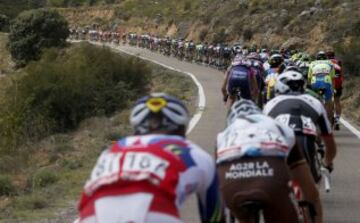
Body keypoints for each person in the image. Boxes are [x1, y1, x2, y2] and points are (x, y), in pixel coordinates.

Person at [77, 93, 225, 223]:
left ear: (136, 130)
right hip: (155, 213)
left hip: (91, 215)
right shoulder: (192, 152)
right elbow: (215, 216)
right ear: (181, 130)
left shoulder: (112, 151)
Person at [216, 100, 322, 223]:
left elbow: (214, 182)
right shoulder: (280, 128)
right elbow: (305, 181)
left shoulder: (222, 136)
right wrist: (312, 200)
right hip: (271, 177)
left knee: (239, 212)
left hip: (233, 181)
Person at [263, 71, 337, 182]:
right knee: (313, 183)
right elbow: (329, 141)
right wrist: (327, 162)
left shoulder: (271, 104)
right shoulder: (315, 102)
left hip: (280, 144)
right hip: (305, 141)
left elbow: (263, 136)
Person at [307, 51, 335, 125]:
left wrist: (309, 89)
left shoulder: (312, 63)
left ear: (317, 58)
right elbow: (333, 78)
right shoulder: (330, 63)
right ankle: (329, 122)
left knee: (313, 101)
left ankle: (314, 119)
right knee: (328, 102)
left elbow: (309, 78)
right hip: (326, 82)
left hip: (315, 82)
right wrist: (333, 89)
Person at [326, 49, 343, 130]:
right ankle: (337, 119)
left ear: (326, 56)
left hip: (328, 84)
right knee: (337, 101)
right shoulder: (338, 62)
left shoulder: (324, 63)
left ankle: (328, 118)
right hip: (338, 84)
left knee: (327, 101)